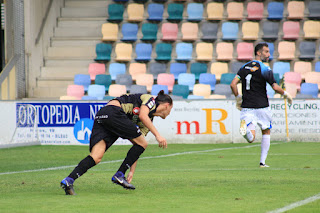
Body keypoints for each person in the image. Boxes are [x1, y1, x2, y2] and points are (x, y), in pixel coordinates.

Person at [60, 90, 173, 195]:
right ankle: (119, 174)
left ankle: (69, 180)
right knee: (142, 143)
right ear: (166, 105)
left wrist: (131, 171)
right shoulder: (151, 100)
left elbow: (137, 145)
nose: (169, 113)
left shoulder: (148, 122)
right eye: (170, 110)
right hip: (113, 112)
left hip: (103, 114)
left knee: (96, 156)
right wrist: (158, 136)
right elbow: (143, 116)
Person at [230, 42, 292, 168]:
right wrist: (286, 94)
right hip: (262, 106)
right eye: (266, 52)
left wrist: (238, 98)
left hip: (247, 107)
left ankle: (245, 131)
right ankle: (262, 162)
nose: (269, 55)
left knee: (251, 137)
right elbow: (275, 87)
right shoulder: (265, 69)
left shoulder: (244, 68)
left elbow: (233, 84)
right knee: (266, 131)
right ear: (259, 53)